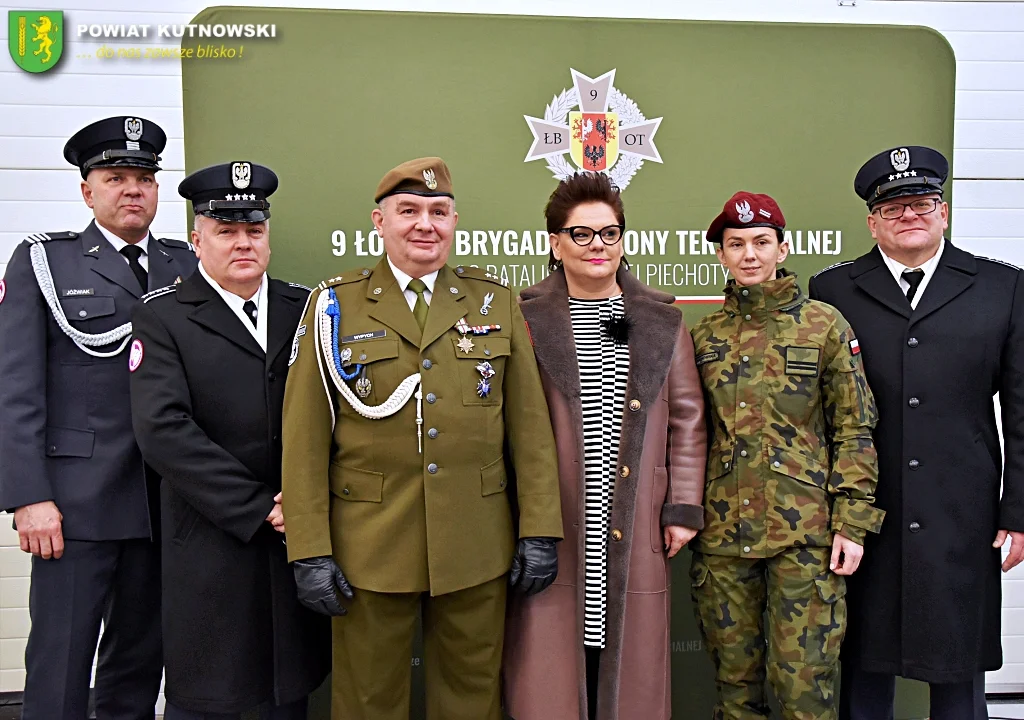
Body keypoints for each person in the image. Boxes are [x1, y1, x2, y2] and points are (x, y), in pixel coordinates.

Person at [280, 156, 563, 720]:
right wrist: (309, 548)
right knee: (367, 701)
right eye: (408, 211)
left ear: (455, 221)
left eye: (438, 211)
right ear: (379, 222)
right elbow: (304, 436)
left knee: (471, 696)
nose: (424, 224)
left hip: (475, 540)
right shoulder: (335, 304)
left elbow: (529, 429)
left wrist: (539, 530)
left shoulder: (494, 301)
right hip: (369, 543)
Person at [809, 146, 1024, 720]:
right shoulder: (832, 291)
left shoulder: (1001, 288)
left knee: (958, 671)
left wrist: (1018, 512)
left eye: (923, 203)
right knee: (862, 669)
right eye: (894, 206)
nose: (910, 215)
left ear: (945, 211)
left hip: (963, 513)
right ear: (872, 220)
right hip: (864, 516)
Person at [0, 116, 197, 719]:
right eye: (116, 177)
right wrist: (29, 497)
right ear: (88, 190)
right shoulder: (45, 262)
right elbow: (16, 387)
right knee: (60, 662)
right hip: (75, 507)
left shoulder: (184, 264)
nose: (132, 189)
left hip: (163, 503)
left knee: (139, 663)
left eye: (144, 177)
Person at [503, 172, 708, 720]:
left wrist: (682, 507)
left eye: (610, 233)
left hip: (636, 513)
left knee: (629, 668)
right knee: (553, 667)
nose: (598, 246)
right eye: (582, 234)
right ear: (555, 243)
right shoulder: (521, 317)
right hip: (556, 516)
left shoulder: (662, 319)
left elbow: (687, 417)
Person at [128, 161, 330, 719]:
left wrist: (304, 500)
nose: (243, 242)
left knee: (288, 691)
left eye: (254, 229)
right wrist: (259, 506)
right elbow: (164, 431)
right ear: (198, 239)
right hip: (214, 538)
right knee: (212, 693)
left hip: (296, 537)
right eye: (226, 230)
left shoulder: (306, 308)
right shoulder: (164, 317)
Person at [690, 191, 884, 720]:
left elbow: (855, 428)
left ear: (783, 247)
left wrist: (853, 522)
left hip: (806, 538)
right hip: (723, 539)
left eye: (761, 242)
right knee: (735, 690)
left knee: (805, 688)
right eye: (736, 245)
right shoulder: (703, 336)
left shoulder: (825, 326)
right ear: (721, 254)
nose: (749, 254)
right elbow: (686, 436)